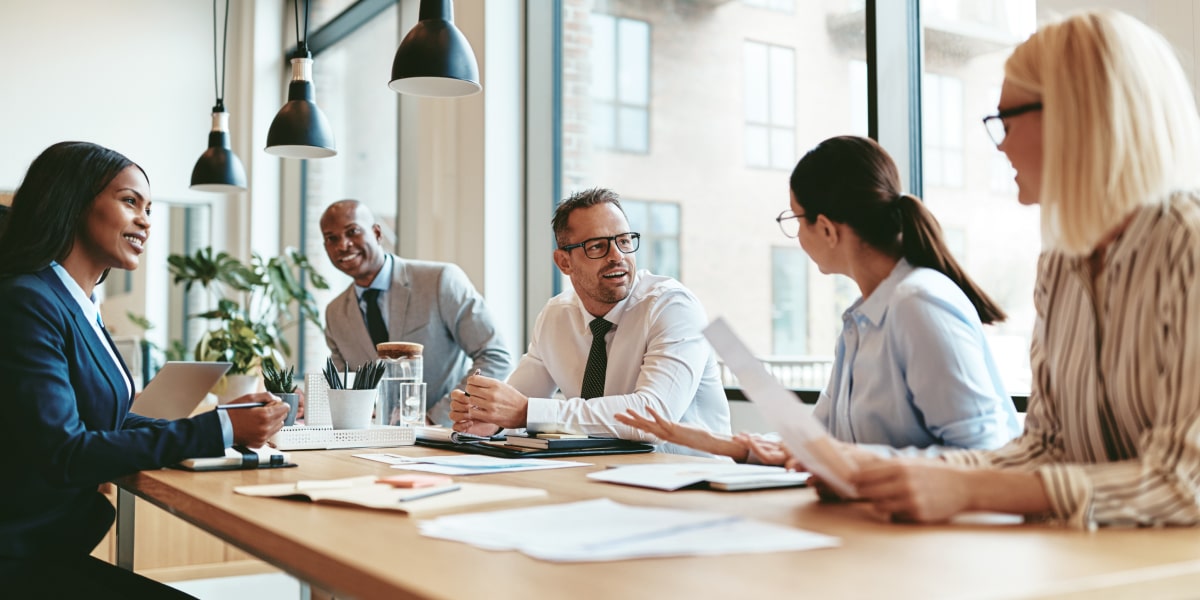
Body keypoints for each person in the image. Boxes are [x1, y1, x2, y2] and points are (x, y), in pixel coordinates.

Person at [848, 10, 1200, 529]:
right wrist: (893, 473)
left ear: (1078, 116)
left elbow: (1184, 483)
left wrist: (969, 489)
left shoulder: (1187, 247)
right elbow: (1045, 448)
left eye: (1006, 121)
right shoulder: (1061, 264)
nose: (1002, 145)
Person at [0, 141, 290, 596]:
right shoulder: (28, 301)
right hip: (22, 560)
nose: (146, 220)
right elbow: (64, 452)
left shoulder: (76, 303)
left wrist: (214, 424)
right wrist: (219, 431)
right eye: (129, 201)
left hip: (50, 547)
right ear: (73, 201)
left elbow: (102, 421)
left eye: (149, 207)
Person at [618, 136, 1020, 462]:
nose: (796, 237)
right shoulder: (859, 322)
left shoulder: (918, 305)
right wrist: (723, 444)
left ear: (826, 228)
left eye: (795, 219)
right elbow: (821, 444)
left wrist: (854, 461)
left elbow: (983, 454)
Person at [447, 188, 731, 456]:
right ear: (564, 262)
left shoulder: (672, 306)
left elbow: (652, 415)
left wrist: (526, 413)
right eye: (598, 247)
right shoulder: (556, 316)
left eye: (624, 241)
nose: (617, 256)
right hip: (601, 475)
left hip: (690, 483)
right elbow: (518, 400)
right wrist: (488, 418)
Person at [320, 200, 514, 426]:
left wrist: (438, 417)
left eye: (352, 232)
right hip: (374, 442)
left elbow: (495, 357)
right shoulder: (335, 314)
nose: (343, 245)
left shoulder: (440, 280)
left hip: (445, 434)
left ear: (377, 233)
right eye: (331, 238)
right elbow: (346, 387)